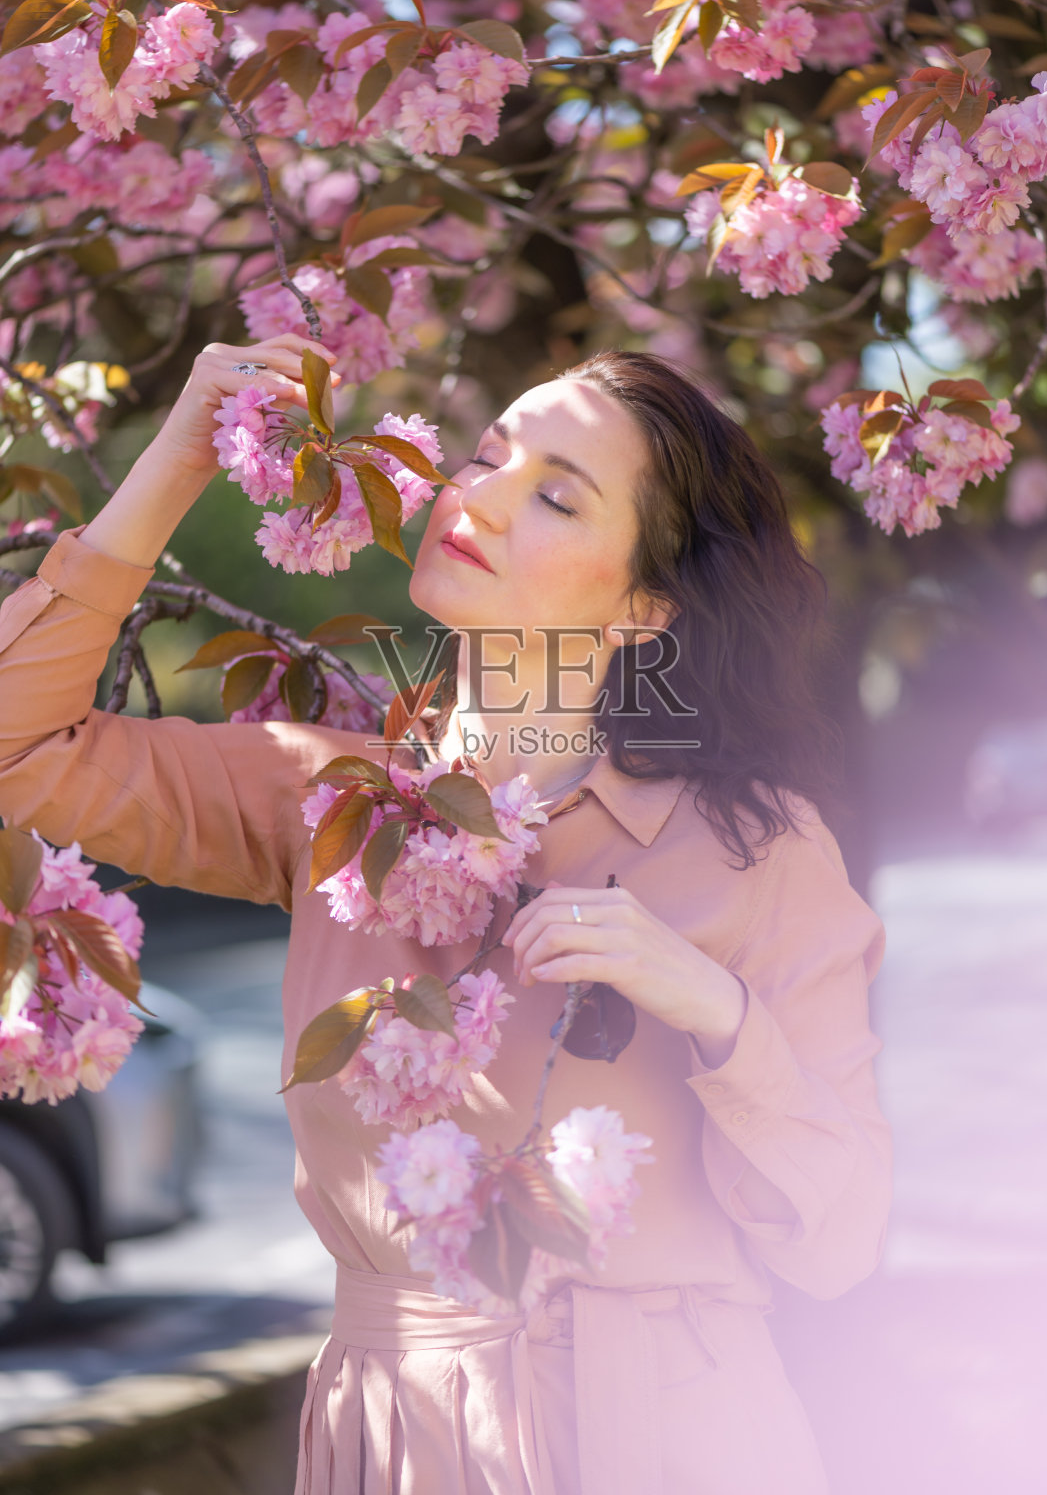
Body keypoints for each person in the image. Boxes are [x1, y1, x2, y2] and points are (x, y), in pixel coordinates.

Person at [0, 335, 893, 1494]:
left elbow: (839, 1242)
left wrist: (716, 1011)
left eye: (557, 495)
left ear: (642, 608)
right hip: (399, 1436)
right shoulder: (320, 797)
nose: (482, 495)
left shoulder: (758, 852)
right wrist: (180, 455)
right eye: (484, 457)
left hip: (671, 1437)